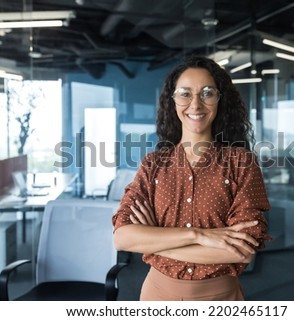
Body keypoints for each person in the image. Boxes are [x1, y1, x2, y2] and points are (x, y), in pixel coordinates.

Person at [112, 56, 270, 301]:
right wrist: (199, 236)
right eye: (185, 94)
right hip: (156, 295)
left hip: (219, 298)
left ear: (219, 99)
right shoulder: (153, 164)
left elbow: (242, 250)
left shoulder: (241, 163)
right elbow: (122, 238)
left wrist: (153, 239)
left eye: (207, 93)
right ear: (172, 100)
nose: (195, 105)